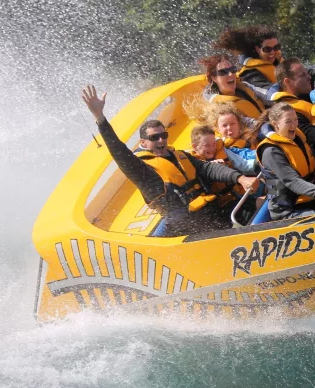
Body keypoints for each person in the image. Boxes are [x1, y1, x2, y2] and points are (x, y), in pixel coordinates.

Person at [81, 85, 260, 236]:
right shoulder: (143, 171)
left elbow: (210, 169)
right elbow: (118, 151)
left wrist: (240, 178)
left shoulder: (181, 156)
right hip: (187, 228)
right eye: (155, 138)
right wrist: (100, 118)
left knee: (257, 204)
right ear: (143, 143)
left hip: (212, 210)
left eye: (163, 135)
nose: (161, 140)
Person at [268, 58, 315, 155]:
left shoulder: (313, 95)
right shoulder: (289, 113)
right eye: (302, 75)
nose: (309, 77)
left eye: (307, 73)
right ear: (288, 82)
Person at [199, 54, 266, 118]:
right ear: (214, 78)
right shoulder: (217, 108)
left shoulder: (245, 87)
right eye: (223, 72)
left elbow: (267, 95)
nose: (231, 74)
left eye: (232, 69)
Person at [215, 25, 282, 89]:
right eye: (267, 49)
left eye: (276, 47)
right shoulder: (249, 73)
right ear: (257, 49)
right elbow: (268, 93)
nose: (272, 52)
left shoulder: (280, 62)